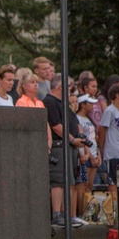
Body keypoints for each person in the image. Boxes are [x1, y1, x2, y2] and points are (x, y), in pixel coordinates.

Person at [45, 77, 85, 227]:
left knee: (69, 181)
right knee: (59, 181)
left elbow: (74, 122)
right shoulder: (50, 101)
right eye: (69, 86)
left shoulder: (64, 103)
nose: (71, 89)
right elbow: (56, 126)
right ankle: (56, 214)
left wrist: (78, 138)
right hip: (59, 145)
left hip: (70, 146)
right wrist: (72, 139)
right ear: (61, 86)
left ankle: (67, 214)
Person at [75, 94, 101, 219]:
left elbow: (93, 138)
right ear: (83, 104)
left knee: (89, 186)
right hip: (86, 155)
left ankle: (87, 212)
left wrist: (98, 154)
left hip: (94, 153)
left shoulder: (88, 118)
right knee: (83, 186)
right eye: (89, 103)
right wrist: (90, 156)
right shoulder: (77, 118)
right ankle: (81, 212)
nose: (92, 105)